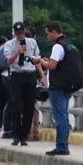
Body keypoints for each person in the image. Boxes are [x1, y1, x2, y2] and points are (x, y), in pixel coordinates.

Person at [32, 21, 73, 156]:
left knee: (60, 117)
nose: (47, 36)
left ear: (54, 31)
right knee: (64, 116)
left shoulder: (57, 46)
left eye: (48, 33)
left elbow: (52, 66)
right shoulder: (69, 44)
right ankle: (64, 145)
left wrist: (40, 61)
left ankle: (61, 147)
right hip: (67, 85)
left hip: (58, 87)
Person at [2, 22, 42, 146]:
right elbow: (8, 61)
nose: (20, 36)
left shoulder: (32, 42)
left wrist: (40, 71)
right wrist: (17, 52)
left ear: (24, 31)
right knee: (16, 105)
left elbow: (37, 57)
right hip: (16, 75)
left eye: (22, 33)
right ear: (14, 33)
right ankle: (16, 134)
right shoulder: (9, 44)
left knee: (29, 106)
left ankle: (24, 135)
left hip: (29, 74)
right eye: (17, 33)